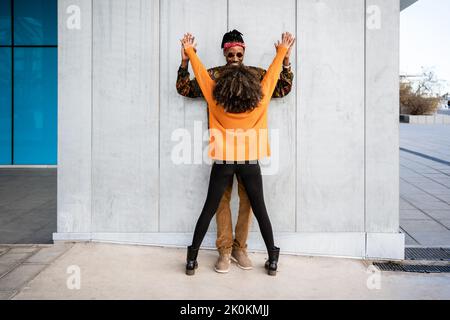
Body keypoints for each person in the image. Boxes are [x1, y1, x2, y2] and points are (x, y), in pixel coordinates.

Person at [176, 30, 294, 273]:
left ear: (244, 51)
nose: (234, 56)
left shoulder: (214, 87)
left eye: (238, 52)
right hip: (250, 160)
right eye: (231, 52)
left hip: (224, 160)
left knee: (212, 208)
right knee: (257, 209)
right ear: (224, 52)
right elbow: (272, 79)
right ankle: (266, 259)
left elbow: (279, 84)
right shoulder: (259, 89)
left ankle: (193, 259)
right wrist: (281, 52)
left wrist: (190, 53)